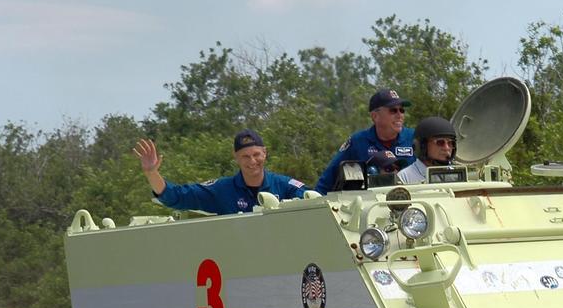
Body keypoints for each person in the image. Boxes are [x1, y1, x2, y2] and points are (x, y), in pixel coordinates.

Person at [135, 129, 308, 215]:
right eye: (245, 156)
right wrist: (151, 173)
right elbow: (176, 196)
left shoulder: (285, 186)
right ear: (236, 157)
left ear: (265, 153)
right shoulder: (222, 190)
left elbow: (316, 200)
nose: (252, 161)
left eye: (256, 155)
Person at [314, 89, 417, 193]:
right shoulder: (357, 142)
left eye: (402, 110)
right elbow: (328, 179)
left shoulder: (414, 137)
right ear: (375, 116)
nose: (400, 115)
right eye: (393, 110)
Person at [398, 116, 457, 184]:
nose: (447, 148)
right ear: (422, 146)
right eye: (440, 142)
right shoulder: (404, 178)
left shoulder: (456, 175)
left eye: (450, 143)